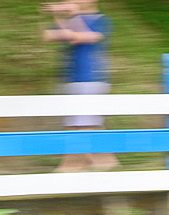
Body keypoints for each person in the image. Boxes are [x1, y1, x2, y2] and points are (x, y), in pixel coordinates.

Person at [42, 1, 118, 172]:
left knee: (85, 123)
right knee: (82, 122)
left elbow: (85, 37)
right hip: (72, 78)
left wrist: (73, 18)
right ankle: (104, 162)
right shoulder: (73, 19)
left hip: (91, 77)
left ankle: (72, 164)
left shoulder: (101, 20)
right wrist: (59, 16)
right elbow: (49, 35)